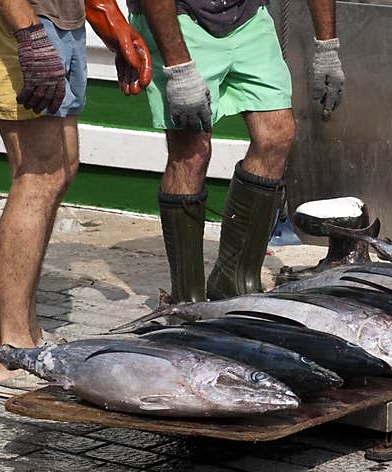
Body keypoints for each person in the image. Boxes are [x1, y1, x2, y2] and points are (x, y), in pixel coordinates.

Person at [0, 0, 151, 397]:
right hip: (21, 23)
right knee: (37, 176)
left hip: (60, 21)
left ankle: (28, 333)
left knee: (61, 170)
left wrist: (112, 26)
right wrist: (29, 34)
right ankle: (10, 351)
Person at [126, 0, 345, 302]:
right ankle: (187, 300)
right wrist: (179, 68)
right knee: (191, 152)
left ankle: (235, 280)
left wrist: (327, 47)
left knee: (277, 135)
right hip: (179, 19)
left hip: (247, 16)